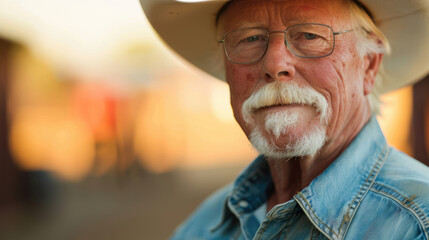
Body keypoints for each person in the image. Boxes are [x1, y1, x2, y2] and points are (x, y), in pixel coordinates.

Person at [141, 0, 429, 239]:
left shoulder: (417, 225)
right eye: (250, 39)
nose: (275, 64)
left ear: (369, 66)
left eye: (310, 35)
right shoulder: (203, 228)